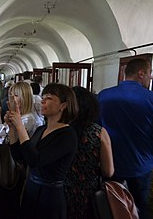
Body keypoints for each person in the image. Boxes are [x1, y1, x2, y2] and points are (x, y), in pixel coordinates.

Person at [7, 83, 79, 219]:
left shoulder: (67, 135)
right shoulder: (41, 129)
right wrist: (12, 128)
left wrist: (20, 126)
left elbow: (35, 160)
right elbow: (20, 157)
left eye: (50, 98)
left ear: (63, 106)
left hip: (50, 196)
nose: (43, 100)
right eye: (43, 96)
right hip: (31, 190)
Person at [98, 58, 153, 219]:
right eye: (150, 74)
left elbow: (96, 130)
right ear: (141, 73)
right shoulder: (150, 99)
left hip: (110, 163)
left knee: (111, 205)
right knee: (139, 206)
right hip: (140, 165)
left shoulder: (103, 96)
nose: (150, 77)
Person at [0, 81, 37, 219]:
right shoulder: (19, 117)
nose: (12, 99)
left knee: (8, 205)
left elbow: (2, 138)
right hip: (10, 165)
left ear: (26, 97)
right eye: (10, 95)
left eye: (16, 95)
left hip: (15, 168)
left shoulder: (28, 120)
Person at [65, 86, 114, 219]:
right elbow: (108, 171)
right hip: (89, 193)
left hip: (61, 192)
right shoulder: (99, 132)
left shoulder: (58, 130)